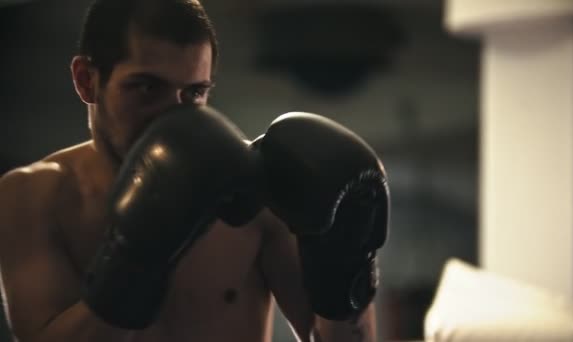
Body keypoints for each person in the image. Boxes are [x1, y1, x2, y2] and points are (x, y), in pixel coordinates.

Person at [0, 0, 388, 341]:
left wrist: (345, 261)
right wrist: (135, 260)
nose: (173, 114)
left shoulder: (254, 191)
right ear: (87, 80)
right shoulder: (31, 197)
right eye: (147, 88)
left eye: (193, 93)